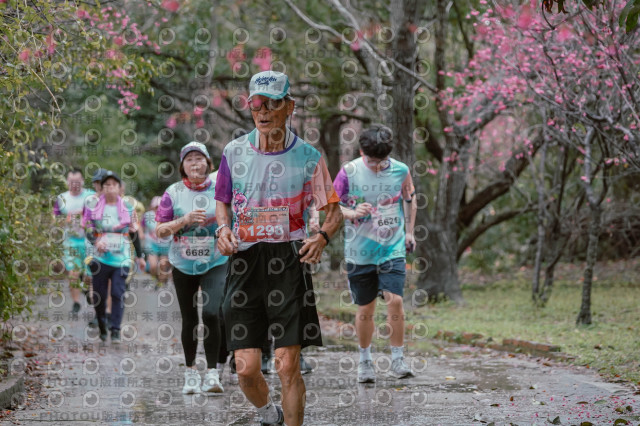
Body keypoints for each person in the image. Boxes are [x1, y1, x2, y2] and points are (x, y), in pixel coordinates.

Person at [215, 70, 343, 426]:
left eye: (272, 103)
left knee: (288, 365)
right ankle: (268, 414)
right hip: (245, 261)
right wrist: (222, 229)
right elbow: (222, 200)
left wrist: (322, 237)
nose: (263, 110)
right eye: (256, 103)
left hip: (288, 260)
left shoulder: (308, 157)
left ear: (289, 106)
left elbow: (333, 212)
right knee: (246, 368)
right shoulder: (234, 152)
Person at [332, 125, 418, 383]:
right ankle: (365, 360)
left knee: (395, 300)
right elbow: (331, 206)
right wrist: (351, 213)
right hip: (360, 252)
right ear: (361, 152)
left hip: (392, 247)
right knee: (366, 307)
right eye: (372, 161)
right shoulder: (349, 172)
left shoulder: (401, 170)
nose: (378, 166)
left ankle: (398, 359)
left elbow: (410, 198)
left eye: (382, 161)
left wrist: (410, 232)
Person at [155, 142, 229, 395]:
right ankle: (190, 373)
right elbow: (160, 230)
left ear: (208, 163)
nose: (195, 163)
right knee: (189, 318)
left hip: (215, 261)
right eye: (189, 159)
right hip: (183, 264)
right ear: (182, 167)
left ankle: (212, 374)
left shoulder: (220, 187)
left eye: (199, 158)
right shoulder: (173, 193)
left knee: (211, 313)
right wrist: (184, 220)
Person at [82, 171, 135, 343]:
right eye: (106, 185)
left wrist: (141, 255)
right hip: (100, 258)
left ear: (119, 188)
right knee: (99, 295)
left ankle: (116, 329)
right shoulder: (93, 206)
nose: (110, 187)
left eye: (113, 184)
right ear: (101, 188)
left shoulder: (128, 207)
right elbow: (88, 228)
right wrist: (96, 241)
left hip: (121, 258)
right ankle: (102, 324)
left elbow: (134, 232)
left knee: (118, 293)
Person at [53, 168, 96, 315]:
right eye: (71, 181)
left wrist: (83, 215)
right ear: (67, 182)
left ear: (82, 181)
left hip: (90, 240)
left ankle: (89, 293)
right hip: (71, 241)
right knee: (73, 273)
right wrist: (67, 219)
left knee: (90, 275)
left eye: (77, 181)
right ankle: (76, 303)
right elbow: (55, 219)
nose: (74, 184)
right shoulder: (62, 198)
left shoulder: (91, 196)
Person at [142, 196, 171, 288]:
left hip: (165, 244)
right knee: (153, 266)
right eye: (156, 207)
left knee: (163, 264)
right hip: (151, 244)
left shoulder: (169, 216)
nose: (158, 209)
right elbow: (142, 227)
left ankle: (161, 283)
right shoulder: (148, 216)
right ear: (152, 207)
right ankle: (155, 277)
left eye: (160, 207)